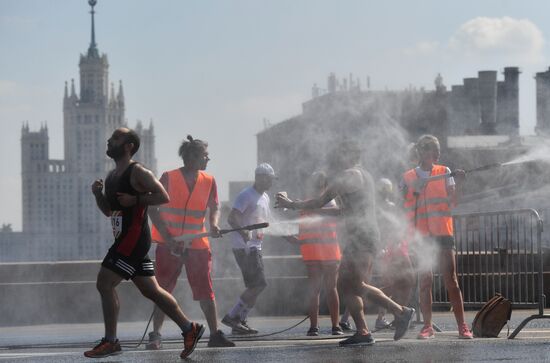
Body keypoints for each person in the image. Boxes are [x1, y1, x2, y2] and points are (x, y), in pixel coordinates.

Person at [276, 141, 415, 346]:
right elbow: (341, 211)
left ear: (347, 155)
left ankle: (400, 311)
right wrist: (312, 210)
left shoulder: (349, 176)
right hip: (361, 236)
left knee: (355, 284)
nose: (335, 160)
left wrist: (291, 204)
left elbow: (318, 201)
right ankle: (363, 331)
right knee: (346, 285)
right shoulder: (363, 176)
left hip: (362, 236)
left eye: (339, 156)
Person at [86, 128, 204, 359]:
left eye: (116, 138)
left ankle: (111, 341)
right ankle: (190, 328)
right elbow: (110, 211)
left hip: (134, 239)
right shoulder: (112, 176)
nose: (109, 141)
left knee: (104, 283)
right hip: (125, 239)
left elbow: (163, 197)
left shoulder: (138, 171)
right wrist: (98, 195)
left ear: (129, 146)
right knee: (151, 290)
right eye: (110, 138)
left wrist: (136, 199)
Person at [147, 135, 235, 349]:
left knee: (206, 289)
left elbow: (215, 207)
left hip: (197, 245)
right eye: (205, 155)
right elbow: (152, 208)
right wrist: (168, 238)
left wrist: (213, 225)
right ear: (193, 157)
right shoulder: (168, 177)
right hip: (170, 245)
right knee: (163, 290)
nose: (208, 159)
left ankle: (214, 335)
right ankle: (156, 335)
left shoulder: (209, 180)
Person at [400, 134, 473, 340]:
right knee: (425, 281)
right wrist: (415, 190)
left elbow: (453, 201)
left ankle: (463, 326)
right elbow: (403, 203)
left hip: (443, 233)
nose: (432, 153)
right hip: (422, 237)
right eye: (427, 149)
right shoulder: (408, 177)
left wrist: (459, 183)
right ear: (421, 152)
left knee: (452, 280)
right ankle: (428, 326)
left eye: (433, 150)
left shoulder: (445, 172)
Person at [285, 172, 344, 336]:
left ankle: (314, 327)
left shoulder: (306, 204)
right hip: (330, 251)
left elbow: (302, 229)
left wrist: (296, 240)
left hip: (312, 252)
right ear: (326, 185)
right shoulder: (330, 202)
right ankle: (335, 326)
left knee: (314, 290)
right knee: (331, 288)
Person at [221, 163, 275, 334]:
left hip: (255, 247)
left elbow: (267, 222)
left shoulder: (265, 197)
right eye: (269, 178)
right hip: (245, 248)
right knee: (258, 285)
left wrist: (290, 237)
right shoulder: (246, 195)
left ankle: (240, 321)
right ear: (260, 177)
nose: (271, 182)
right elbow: (232, 218)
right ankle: (232, 316)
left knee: (256, 286)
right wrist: (244, 231)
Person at [372, 178, 415, 330]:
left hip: (389, 247)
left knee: (393, 284)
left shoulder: (377, 207)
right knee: (407, 281)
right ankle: (399, 315)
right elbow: (395, 228)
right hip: (394, 248)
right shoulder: (389, 207)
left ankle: (394, 316)